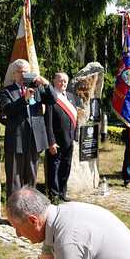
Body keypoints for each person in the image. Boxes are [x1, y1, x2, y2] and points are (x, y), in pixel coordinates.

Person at [0, 59, 57, 198]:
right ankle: (14, 212)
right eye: (21, 72)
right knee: (14, 178)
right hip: (16, 140)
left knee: (31, 177)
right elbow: (7, 110)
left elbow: (53, 100)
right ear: (14, 74)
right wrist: (24, 99)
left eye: (26, 71)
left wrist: (46, 83)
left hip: (34, 140)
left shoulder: (37, 88)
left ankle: (29, 208)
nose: (24, 74)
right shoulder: (6, 92)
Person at [44, 72, 78, 203]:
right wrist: (51, 142)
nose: (63, 83)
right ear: (54, 81)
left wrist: (75, 136)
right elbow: (48, 122)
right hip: (56, 141)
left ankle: (63, 193)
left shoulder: (71, 97)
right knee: (54, 168)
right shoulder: (51, 98)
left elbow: (76, 118)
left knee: (66, 166)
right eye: (60, 81)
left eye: (65, 81)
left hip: (69, 140)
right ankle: (54, 195)